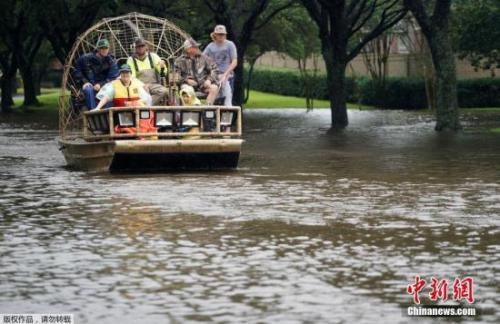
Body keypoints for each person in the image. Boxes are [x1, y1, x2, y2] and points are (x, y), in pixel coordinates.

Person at [73, 39, 119, 110]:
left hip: (105, 86)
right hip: (90, 85)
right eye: (102, 48)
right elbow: (76, 71)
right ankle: (93, 114)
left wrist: (100, 84)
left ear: (108, 49)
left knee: (112, 92)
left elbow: (113, 77)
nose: (104, 50)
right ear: (98, 49)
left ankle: (106, 117)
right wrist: (84, 81)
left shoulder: (111, 61)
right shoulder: (85, 58)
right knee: (88, 90)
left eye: (106, 48)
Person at [174, 38, 220, 105]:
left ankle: (206, 111)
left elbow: (215, 69)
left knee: (214, 88)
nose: (197, 48)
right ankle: (191, 112)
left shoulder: (204, 58)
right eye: (195, 47)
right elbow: (175, 77)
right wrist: (186, 80)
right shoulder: (179, 61)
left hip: (203, 84)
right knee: (187, 90)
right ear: (188, 49)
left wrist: (209, 80)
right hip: (187, 85)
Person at [203, 25, 237, 107]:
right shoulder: (210, 46)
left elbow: (234, 61)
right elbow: (202, 59)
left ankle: (227, 115)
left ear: (225, 35)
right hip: (214, 75)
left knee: (227, 97)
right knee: (216, 98)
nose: (221, 36)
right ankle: (211, 115)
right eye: (219, 34)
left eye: (223, 34)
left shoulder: (230, 45)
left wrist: (226, 74)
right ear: (215, 35)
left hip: (227, 75)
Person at [126, 38, 168, 105]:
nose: (140, 48)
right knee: (145, 91)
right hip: (138, 86)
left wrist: (162, 67)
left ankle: (145, 105)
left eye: (142, 46)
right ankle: (146, 106)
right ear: (135, 48)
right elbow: (132, 77)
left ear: (146, 47)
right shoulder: (131, 60)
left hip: (153, 85)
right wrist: (142, 85)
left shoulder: (153, 56)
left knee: (164, 91)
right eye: (138, 46)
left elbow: (163, 74)